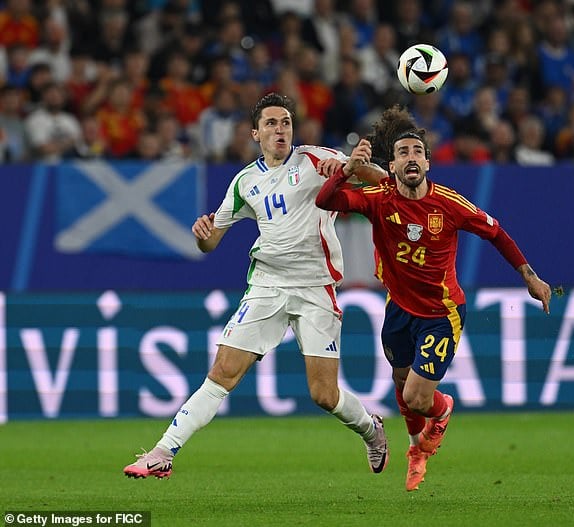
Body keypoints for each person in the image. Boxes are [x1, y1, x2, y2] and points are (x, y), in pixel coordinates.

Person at [123, 92, 389, 479]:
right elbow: (212, 240)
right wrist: (201, 234)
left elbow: (380, 181)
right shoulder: (245, 181)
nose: (280, 130)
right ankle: (163, 451)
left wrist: (351, 168)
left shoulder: (316, 158)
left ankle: (371, 429)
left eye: (285, 123)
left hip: (316, 287)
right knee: (222, 373)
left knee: (324, 395)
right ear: (255, 133)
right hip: (268, 285)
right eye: (271, 124)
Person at [314, 108, 551, 492]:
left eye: (418, 152)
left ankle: (442, 413)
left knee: (418, 397)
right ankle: (415, 451)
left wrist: (530, 275)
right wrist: (346, 169)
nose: (411, 157)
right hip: (398, 309)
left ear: (427, 161)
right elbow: (326, 202)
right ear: (392, 164)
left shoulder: (450, 204)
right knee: (401, 385)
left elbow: (496, 233)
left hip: (441, 314)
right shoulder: (378, 198)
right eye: (403, 152)